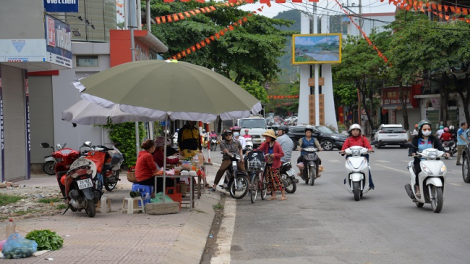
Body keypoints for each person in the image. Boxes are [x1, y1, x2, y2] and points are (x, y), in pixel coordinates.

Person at [409, 120, 449, 197]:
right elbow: (412, 148)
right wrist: (412, 153)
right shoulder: (416, 139)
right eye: (424, 129)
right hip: (420, 160)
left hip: (434, 161)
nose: (427, 131)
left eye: (429, 129)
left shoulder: (434, 139)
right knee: (418, 172)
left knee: (441, 171)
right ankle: (418, 189)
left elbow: (440, 147)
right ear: (420, 130)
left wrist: (445, 153)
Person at [254, 130, 287, 201]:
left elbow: (282, 154)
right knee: (270, 180)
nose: (266, 138)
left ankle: (283, 195)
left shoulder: (277, 145)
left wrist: (275, 155)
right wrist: (252, 151)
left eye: (267, 137)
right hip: (268, 164)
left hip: (275, 165)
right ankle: (273, 195)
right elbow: (260, 149)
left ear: (271, 137)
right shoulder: (266, 144)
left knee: (277, 180)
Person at [340, 124, 374, 190]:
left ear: (359, 131)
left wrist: (369, 149)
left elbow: (368, 146)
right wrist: (342, 151)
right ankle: (347, 179)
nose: (355, 132)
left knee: (367, 169)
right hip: (351, 156)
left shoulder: (363, 138)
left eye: (357, 130)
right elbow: (344, 148)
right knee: (348, 168)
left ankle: (369, 183)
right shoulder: (348, 139)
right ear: (351, 131)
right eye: (353, 130)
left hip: (362, 156)